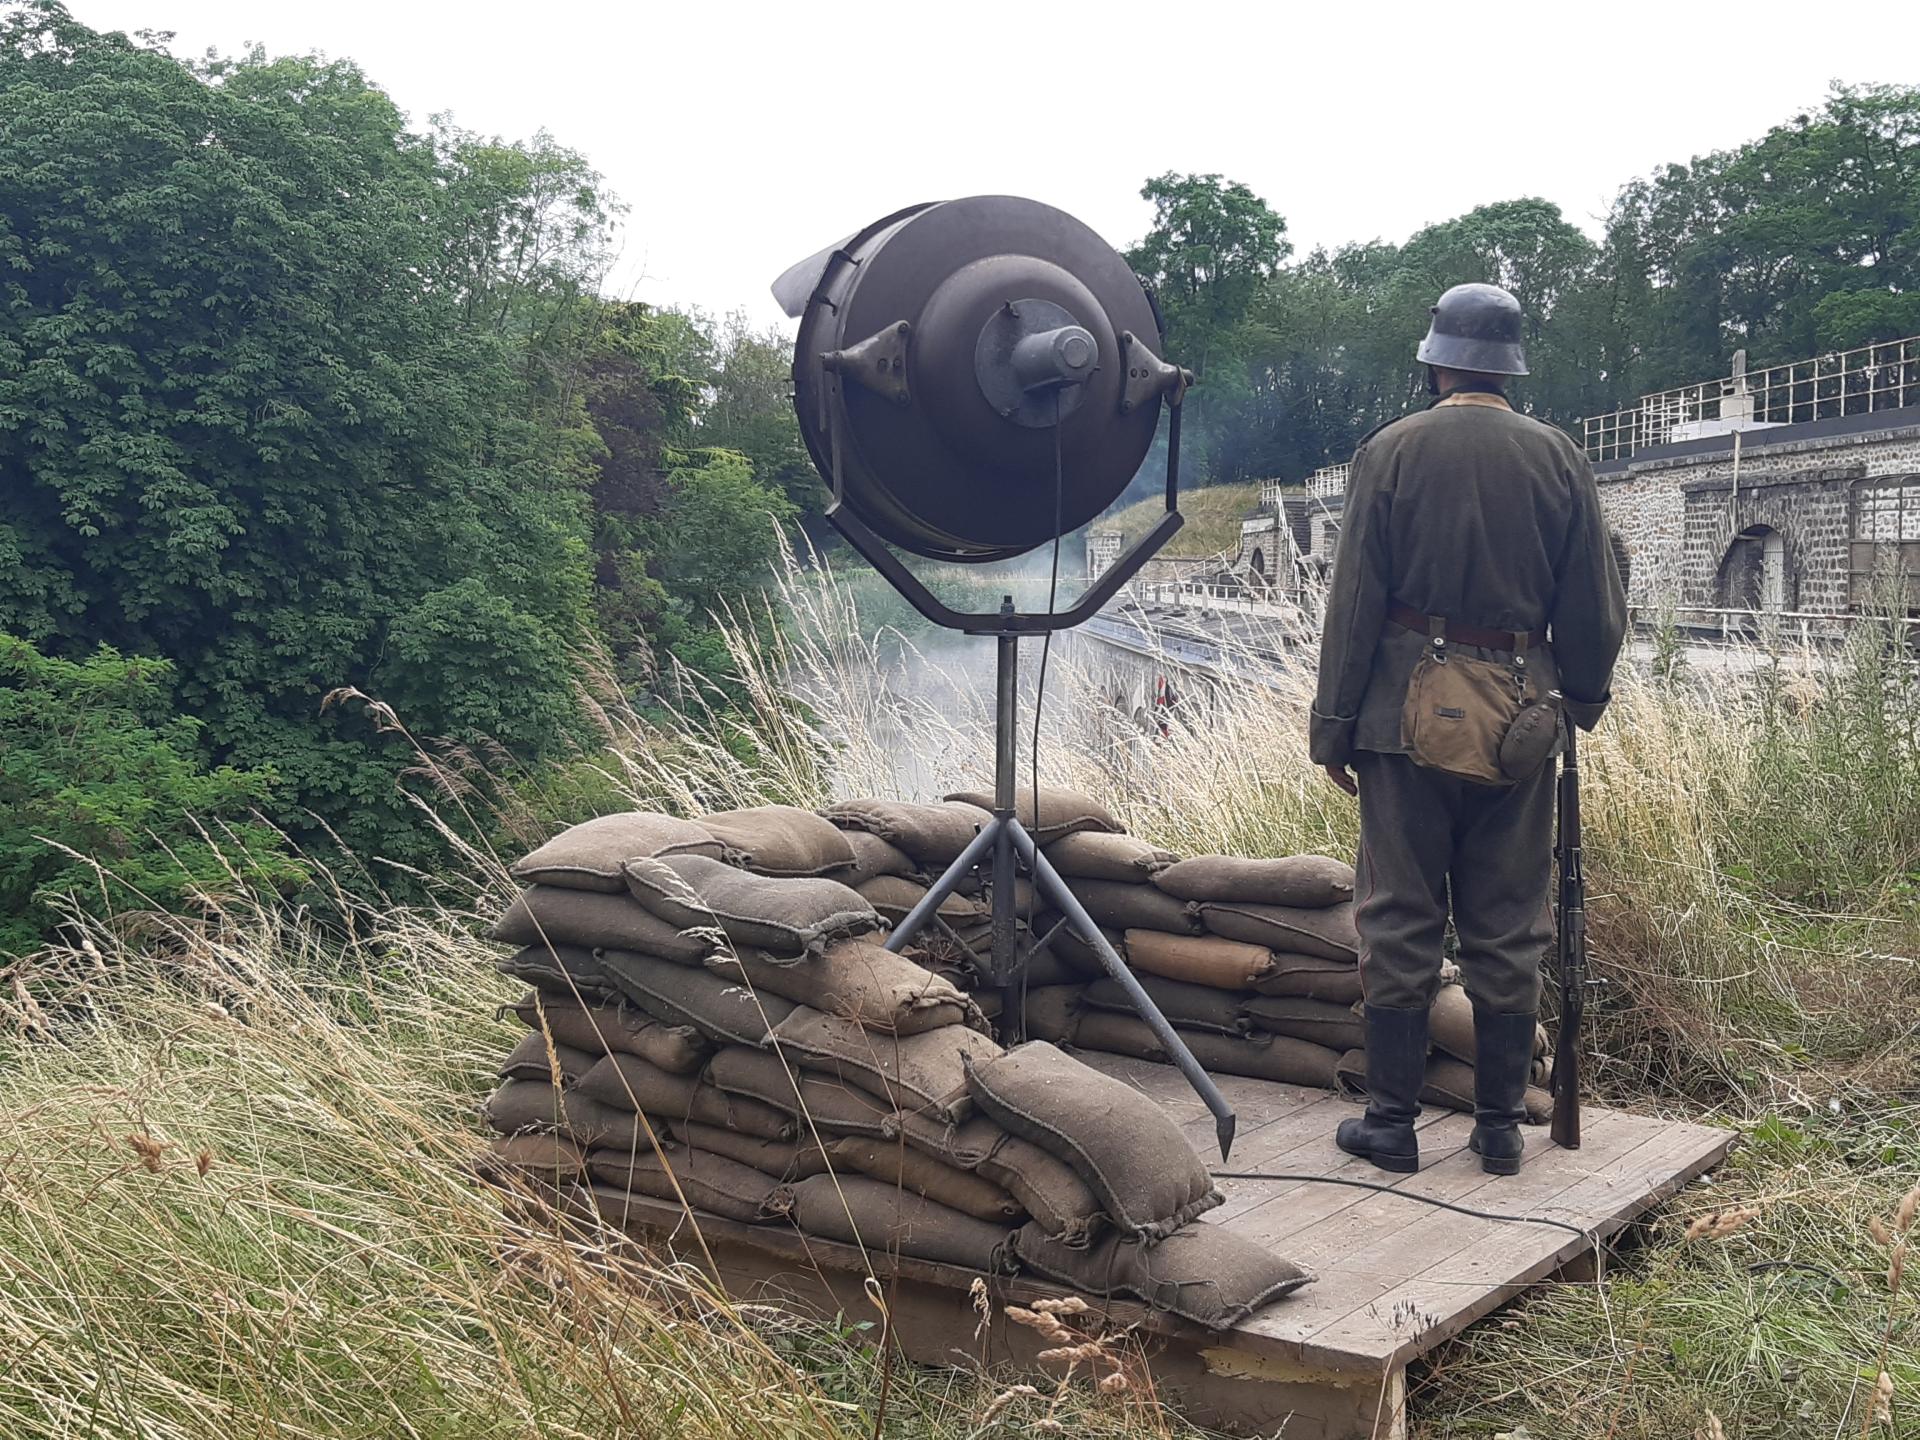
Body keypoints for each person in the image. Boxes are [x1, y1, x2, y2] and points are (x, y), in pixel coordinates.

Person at [1310, 283, 1627, 1176]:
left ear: (1439, 359)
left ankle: (1392, 1124)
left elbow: (1356, 603)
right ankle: (1497, 1128)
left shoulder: (1392, 451)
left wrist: (1334, 726)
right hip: (1523, 722)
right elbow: (1592, 602)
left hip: (1398, 725)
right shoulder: (1560, 456)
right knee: (1508, 924)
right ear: (1510, 365)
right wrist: (1583, 703)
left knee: (1401, 916)